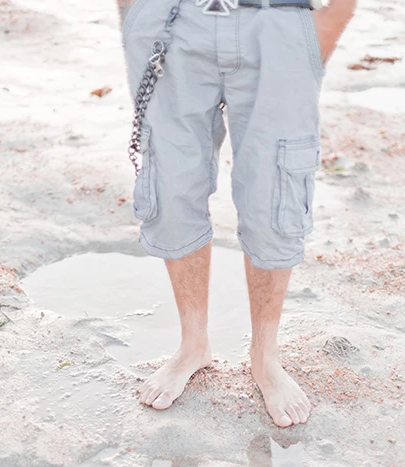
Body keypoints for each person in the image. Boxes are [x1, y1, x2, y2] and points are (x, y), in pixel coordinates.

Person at [121, 0, 357, 426]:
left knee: (275, 195)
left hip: (278, 19)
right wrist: (135, 12)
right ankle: (192, 344)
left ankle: (265, 357)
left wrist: (326, 26)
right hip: (173, 17)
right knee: (170, 187)